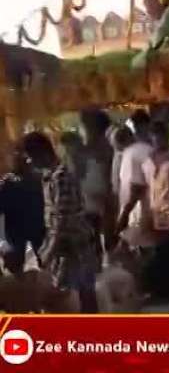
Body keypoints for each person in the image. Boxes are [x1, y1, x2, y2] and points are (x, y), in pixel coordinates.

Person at [22, 132, 97, 313]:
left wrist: (47, 253)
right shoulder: (50, 176)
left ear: (42, 153)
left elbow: (61, 221)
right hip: (67, 247)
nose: (30, 162)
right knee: (79, 295)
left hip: (72, 247)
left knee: (77, 296)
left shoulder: (60, 177)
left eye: (31, 157)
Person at [0, 145, 45, 276]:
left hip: (21, 229)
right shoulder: (37, 177)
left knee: (17, 265)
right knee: (43, 261)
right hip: (30, 227)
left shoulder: (7, 182)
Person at [79, 110, 115, 260]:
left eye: (84, 127)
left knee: (106, 244)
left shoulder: (107, 150)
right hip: (90, 205)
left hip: (103, 205)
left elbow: (109, 181)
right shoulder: (87, 150)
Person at [116, 110, 154, 247]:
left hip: (138, 216)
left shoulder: (133, 152)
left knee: (124, 255)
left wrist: (124, 215)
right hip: (151, 213)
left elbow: (136, 187)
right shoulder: (155, 150)